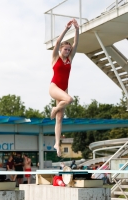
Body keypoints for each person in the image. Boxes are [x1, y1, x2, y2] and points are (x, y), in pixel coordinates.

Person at [49, 19, 79, 157]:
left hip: (64, 89)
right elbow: (56, 43)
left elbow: (76, 43)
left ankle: (56, 144)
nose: (67, 51)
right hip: (54, 87)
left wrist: (77, 30)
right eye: (65, 49)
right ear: (61, 49)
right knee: (69, 99)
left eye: (69, 49)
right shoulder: (56, 57)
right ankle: (54, 108)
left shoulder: (70, 59)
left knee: (60, 118)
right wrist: (66, 29)